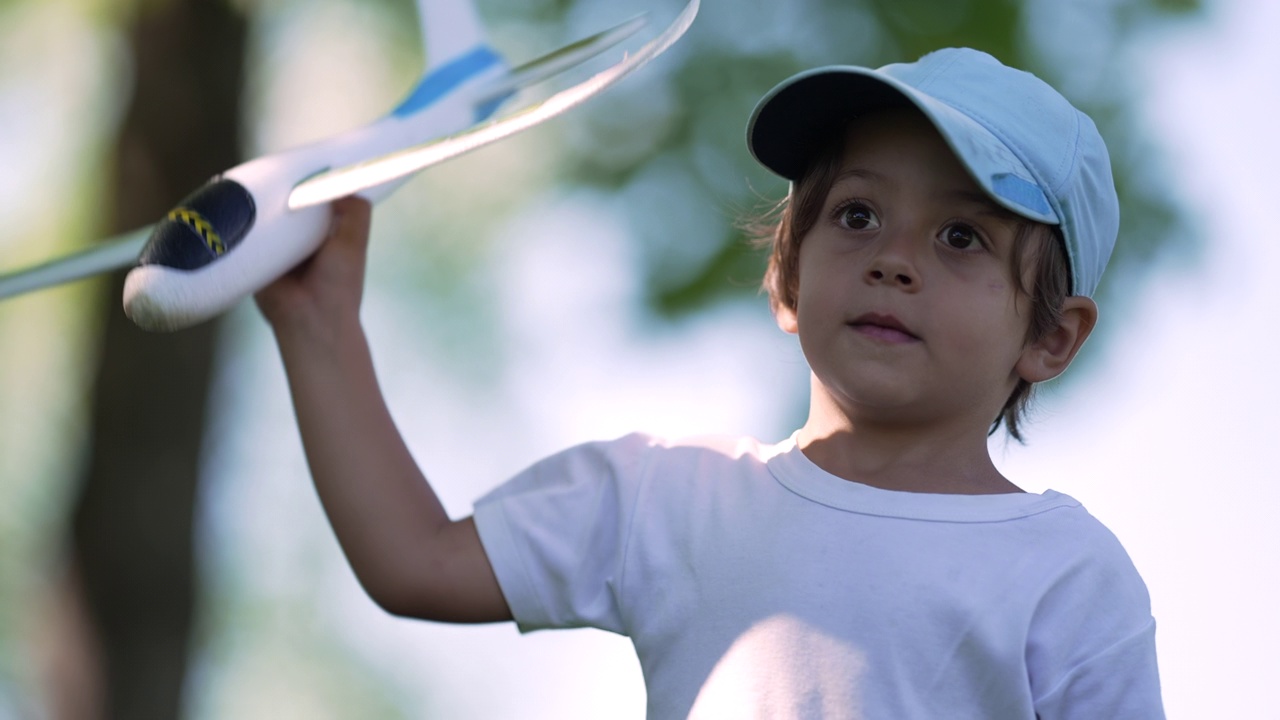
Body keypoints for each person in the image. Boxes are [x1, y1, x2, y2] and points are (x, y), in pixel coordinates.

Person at [256, 47, 1163, 718]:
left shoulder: (1069, 576)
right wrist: (319, 320)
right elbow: (414, 562)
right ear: (788, 278)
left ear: (1050, 335)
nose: (892, 257)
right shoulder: (670, 494)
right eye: (857, 214)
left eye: (961, 236)